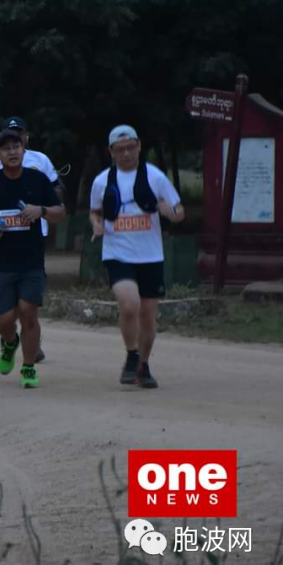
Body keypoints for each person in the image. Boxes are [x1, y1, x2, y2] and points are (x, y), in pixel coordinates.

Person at [90, 125, 184, 388]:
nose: (127, 154)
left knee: (148, 315)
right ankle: (131, 355)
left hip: (150, 256)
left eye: (131, 147)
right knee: (130, 304)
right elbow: (95, 211)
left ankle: (143, 365)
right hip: (117, 254)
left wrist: (169, 213)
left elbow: (179, 211)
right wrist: (96, 224)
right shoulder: (101, 181)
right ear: (111, 152)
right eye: (121, 150)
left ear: (139, 146)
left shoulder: (155, 177)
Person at [0, 130, 65, 389]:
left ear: (23, 149)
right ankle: (9, 342)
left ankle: (28, 367)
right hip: (0, 262)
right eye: (5, 148)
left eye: (16, 146)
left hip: (31, 260)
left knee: (29, 313)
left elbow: (60, 212)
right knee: (4, 320)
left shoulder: (38, 179)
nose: (12, 151)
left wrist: (39, 210)